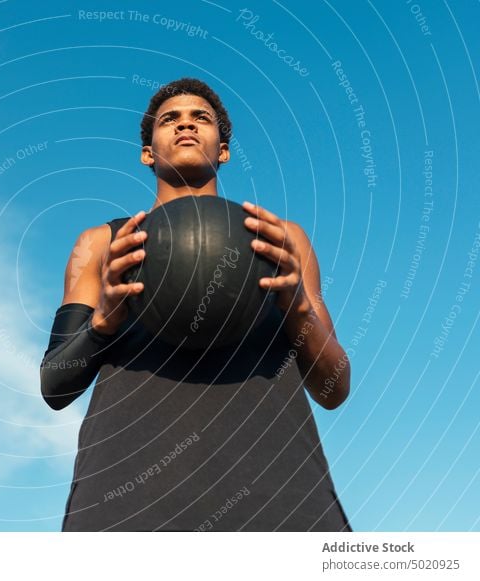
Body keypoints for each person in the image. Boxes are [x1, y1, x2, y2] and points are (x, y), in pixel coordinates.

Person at [40, 78, 352, 531]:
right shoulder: (103, 243)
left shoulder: (280, 240)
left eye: (200, 118)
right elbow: (55, 386)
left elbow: (333, 389)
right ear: (148, 152)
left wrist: (299, 308)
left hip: (281, 497)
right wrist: (104, 321)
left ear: (222, 150)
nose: (185, 123)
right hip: (127, 505)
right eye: (170, 119)